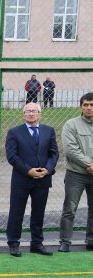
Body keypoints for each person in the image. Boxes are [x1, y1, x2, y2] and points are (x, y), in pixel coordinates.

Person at [5, 103, 59, 257]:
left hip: (43, 178)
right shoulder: (14, 132)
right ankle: (13, 243)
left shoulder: (49, 131)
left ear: (39, 114)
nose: (31, 114)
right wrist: (28, 171)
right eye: (27, 111)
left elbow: (54, 153)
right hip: (21, 179)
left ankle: (36, 243)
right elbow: (12, 156)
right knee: (16, 212)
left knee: (38, 212)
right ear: (23, 115)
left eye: (34, 111)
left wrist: (47, 169)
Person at [58, 92, 93, 252]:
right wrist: (89, 164)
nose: (89, 108)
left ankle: (91, 240)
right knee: (70, 209)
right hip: (76, 174)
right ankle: (65, 242)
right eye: (86, 105)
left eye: (92, 105)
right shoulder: (71, 125)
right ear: (81, 107)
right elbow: (70, 149)